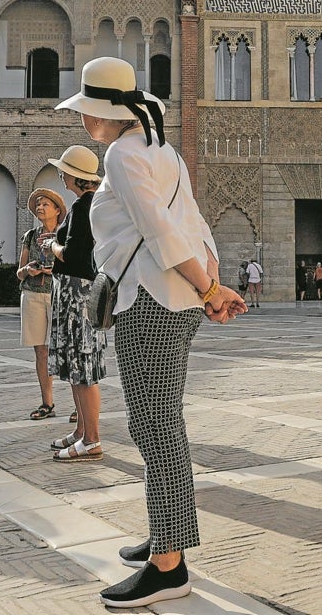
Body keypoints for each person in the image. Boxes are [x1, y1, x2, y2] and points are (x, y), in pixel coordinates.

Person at [57, 56, 245, 608]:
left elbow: (160, 228)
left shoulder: (120, 153)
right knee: (161, 424)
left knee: (155, 428)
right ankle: (168, 539)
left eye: (87, 111)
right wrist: (211, 285)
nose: (84, 121)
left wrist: (209, 290)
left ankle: (169, 565)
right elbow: (195, 223)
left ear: (100, 113)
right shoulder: (164, 149)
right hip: (176, 297)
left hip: (151, 300)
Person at [43, 146, 105, 460]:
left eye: (64, 171)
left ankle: (91, 439)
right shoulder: (91, 204)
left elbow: (72, 255)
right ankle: (82, 432)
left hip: (77, 294)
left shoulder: (84, 207)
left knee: (83, 368)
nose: (62, 176)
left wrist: (52, 244)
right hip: (78, 293)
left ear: (74, 176)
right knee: (78, 367)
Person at [16, 187, 66, 421]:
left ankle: (80, 403)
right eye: (38, 204)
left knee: (66, 348)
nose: (40, 207)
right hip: (33, 294)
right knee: (41, 350)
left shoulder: (65, 235)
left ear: (57, 210)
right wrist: (28, 270)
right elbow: (19, 272)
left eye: (45, 203)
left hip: (59, 295)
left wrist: (53, 268)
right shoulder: (30, 235)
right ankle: (47, 402)